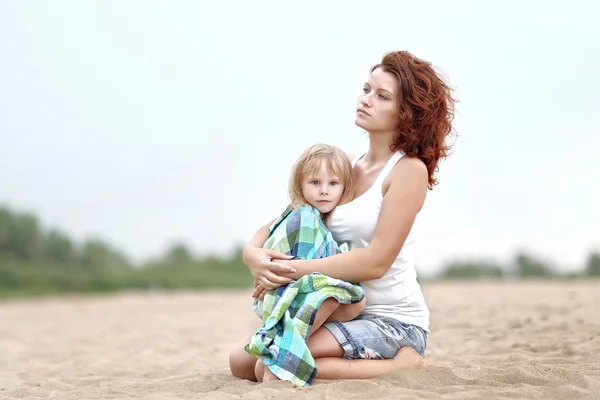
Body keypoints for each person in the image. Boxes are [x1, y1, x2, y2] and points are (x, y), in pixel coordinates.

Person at [229, 49, 456, 382]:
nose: (366, 99)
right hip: (340, 309)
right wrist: (254, 256)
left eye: (382, 96)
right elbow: (282, 222)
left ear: (406, 112)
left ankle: (401, 365)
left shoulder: (408, 171)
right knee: (241, 362)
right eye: (366, 89)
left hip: (392, 321)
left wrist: (292, 270)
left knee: (271, 367)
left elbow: (375, 262)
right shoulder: (344, 165)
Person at [248, 143, 367, 384]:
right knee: (344, 297)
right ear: (300, 185)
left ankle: (283, 345)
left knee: (352, 301)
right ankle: (283, 350)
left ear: (344, 186)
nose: (324, 191)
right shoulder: (302, 213)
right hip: (289, 289)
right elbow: (265, 231)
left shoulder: (329, 215)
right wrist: (250, 252)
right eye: (315, 183)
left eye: (333, 184)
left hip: (302, 289)